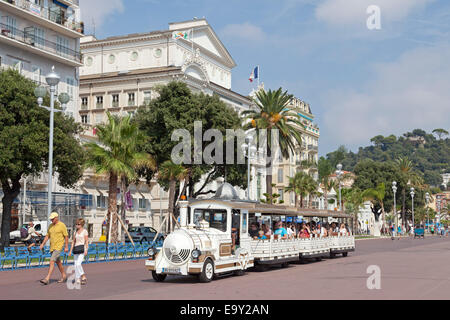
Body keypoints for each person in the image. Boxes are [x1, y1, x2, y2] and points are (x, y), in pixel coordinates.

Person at [39, 212, 69, 285]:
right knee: (58, 263)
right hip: (52, 247)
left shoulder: (62, 225)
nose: (51, 220)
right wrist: (42, 244)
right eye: (51, 219)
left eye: (53, 219)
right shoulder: (50, 226)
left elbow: (66, 236)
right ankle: (64, 276)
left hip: (58, 247)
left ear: (56, 218)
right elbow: (47, 236)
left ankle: (47, 278)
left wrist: (66, 246)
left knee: (52, 261)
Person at [69, 218, 89, 285]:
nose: (77, 225)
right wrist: (70, 250)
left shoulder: (84, 231)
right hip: (76, 249)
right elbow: (73, 242)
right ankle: (77, 278)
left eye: (78, 224)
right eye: (76, 224)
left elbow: (86, 241)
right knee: (75, 265)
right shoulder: (75, 232)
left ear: (82, 225)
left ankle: (83, 276)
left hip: (82, 249)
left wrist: (86, 250)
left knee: (78, 264)